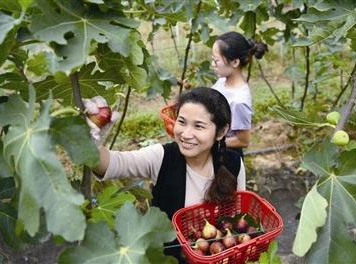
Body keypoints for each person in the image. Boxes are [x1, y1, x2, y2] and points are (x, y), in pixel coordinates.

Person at [85, 87, 246, 263]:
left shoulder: (233, 164)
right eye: (182, 122)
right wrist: (91, 142)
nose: (185, 134)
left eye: (198, 126)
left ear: (221, 132)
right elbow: (113, 164)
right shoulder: (162, 157)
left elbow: (239, 223)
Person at [211, 31, 268, 155]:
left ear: (235, 62)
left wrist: (211, 143)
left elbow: (243, 141)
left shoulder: (239, 101)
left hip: (226, 157)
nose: (213, 65)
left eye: (216, 61)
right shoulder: (221, 82)